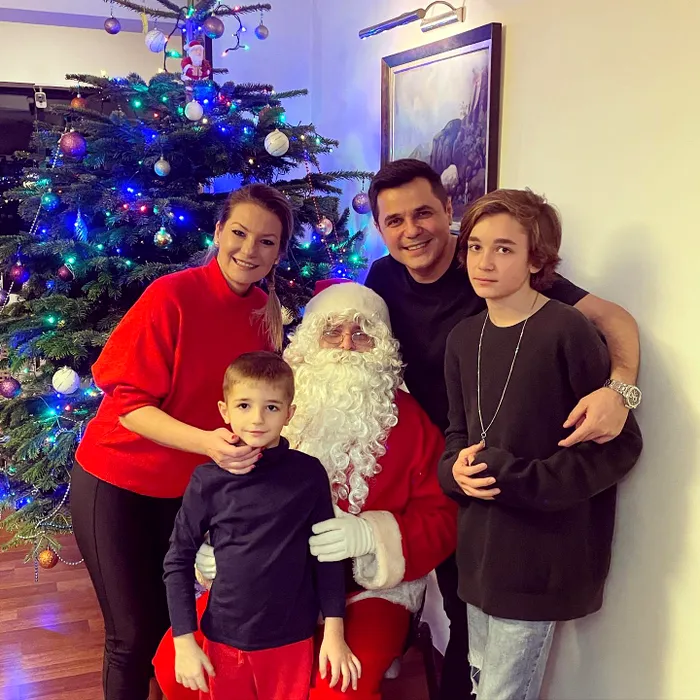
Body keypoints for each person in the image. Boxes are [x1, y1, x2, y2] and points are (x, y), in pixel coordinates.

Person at [364, 159, 642, 699]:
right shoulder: (390, 284)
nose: (411, 230)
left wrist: (620, 390)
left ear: (449, 210)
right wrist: (447, 468)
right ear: (380, 227)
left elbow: (613, 321)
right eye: (394, 220)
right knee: (468, 629)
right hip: (457, 483)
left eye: (423, 213)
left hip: (529, 520)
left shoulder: (550, 317)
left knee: (503, 673)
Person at [155, 280, 458, 700]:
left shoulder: (411, 422)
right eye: (333, 331)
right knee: (177, 670)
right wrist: (214, 548)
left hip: (365, 592)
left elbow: (444, 517)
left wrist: (372, 535)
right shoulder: (266, 409)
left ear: (382, 347)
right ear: (311, 339)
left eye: (362, 333)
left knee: (337, 689)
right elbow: (217, 499)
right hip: (261, 584)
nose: (346, 345)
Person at [70, 183, 293, 700]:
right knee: (130, 636)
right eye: (238, 233)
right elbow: (128, 407)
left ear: (279, 253)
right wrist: (208, 444)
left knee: (168, 625)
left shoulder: (265, 315)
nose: (249, 250)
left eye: (266, 241)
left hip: (185, 492)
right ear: (218, 232)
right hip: (117, 481)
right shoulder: (171, 296)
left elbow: (255, 404)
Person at [437, 188, 643, 699]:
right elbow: (457, 434)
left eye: (504, 248)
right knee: (482, 680)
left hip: (538, 554)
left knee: (504, 692)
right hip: (478, 553)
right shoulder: (462, 338)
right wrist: (453, 472)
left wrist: (520, 479)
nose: (484, 262)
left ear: (537, 260)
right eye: (476, 246)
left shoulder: (567, 330)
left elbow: (619, 442)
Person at [164, 352, 360, 700]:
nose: (257, 418)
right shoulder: (207, 481)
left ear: (289, 413)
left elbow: (326, 555)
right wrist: (184, 641)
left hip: (291, 640)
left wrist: (334, 631)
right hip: (224, 638)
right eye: (244, 405)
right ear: (224, 410)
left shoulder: (308, 474)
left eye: (271, 407)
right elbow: (178, 559)